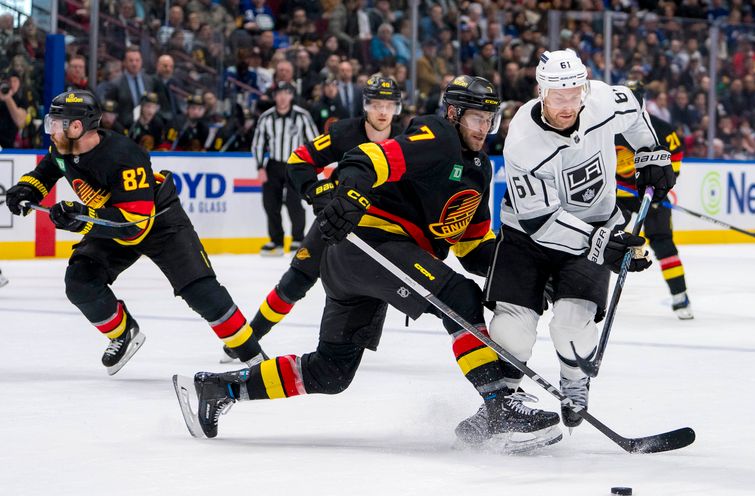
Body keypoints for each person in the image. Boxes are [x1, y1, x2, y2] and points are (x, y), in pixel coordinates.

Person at [176, 75, 562, 452]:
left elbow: (473, 246)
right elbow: (367, 158)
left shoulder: (480, 170)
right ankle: (497, 406)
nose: (485, 128)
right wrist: (350, 198)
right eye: (477, 118)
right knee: (458, 295)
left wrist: (523, 270)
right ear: (453, 113)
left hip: (363, 260)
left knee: (331, 372)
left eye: (490, 120)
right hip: (370, 244)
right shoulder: (437, 136)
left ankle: (221, 388)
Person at [454, 50, 675, 443]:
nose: (568, 105)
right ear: (541, 92)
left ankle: (575, 382)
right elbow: (541, 223)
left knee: (573, 327)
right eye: (558, 96)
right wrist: (602, 245)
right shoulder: (523, 139)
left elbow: (637, 116)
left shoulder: (603, 99)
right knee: (513, 331)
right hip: (528, 236)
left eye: (575, 93)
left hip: (596, 224)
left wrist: (650, 155)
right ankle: (501, 407)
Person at [4, 90, 266, 375]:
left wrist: (81, 217)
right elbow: (48, 170)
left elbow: (135, 226)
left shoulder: (123, 157)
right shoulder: (62, 148)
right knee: (80, 280)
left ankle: (255, 357)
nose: (50, 130)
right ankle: (123, 333)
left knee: (202, 292)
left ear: (76, 127)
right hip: (113, 218)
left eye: (56, 123)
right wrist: (27, 188)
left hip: (159, 223)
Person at [220, 75, 404, 363]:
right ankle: (251, 337)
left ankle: (349, 348)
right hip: (336, 220)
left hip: (380, 229)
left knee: (389, 289)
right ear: (366, 105)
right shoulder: (344, 132)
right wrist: (317, 192)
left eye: (389, 105)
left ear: (397, 109)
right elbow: (300, 159)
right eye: (377, 104)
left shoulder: (407, 139)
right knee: (295, 281)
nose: (383, 112)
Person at [616, 80, 692, 319]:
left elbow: (676, 157)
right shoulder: (606, 127)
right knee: (597, 240)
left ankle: (680, 297)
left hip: (651, 194)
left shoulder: (661, 128)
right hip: (617, 196)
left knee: (662, 242)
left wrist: (661, 188)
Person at [251, 81, 319, 256]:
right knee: (270, 203)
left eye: (286, 93)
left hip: (295, 164)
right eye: (279, 93)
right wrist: (260, 166)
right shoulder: (266, 117)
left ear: (291, 96)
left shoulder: (302, 116)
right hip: (273, 164)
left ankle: (298, 239)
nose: (282, 97)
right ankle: (277, 240)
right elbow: (258, 143)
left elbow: (314, 142)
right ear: (274, 96)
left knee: (293, 202)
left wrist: (312, 165)